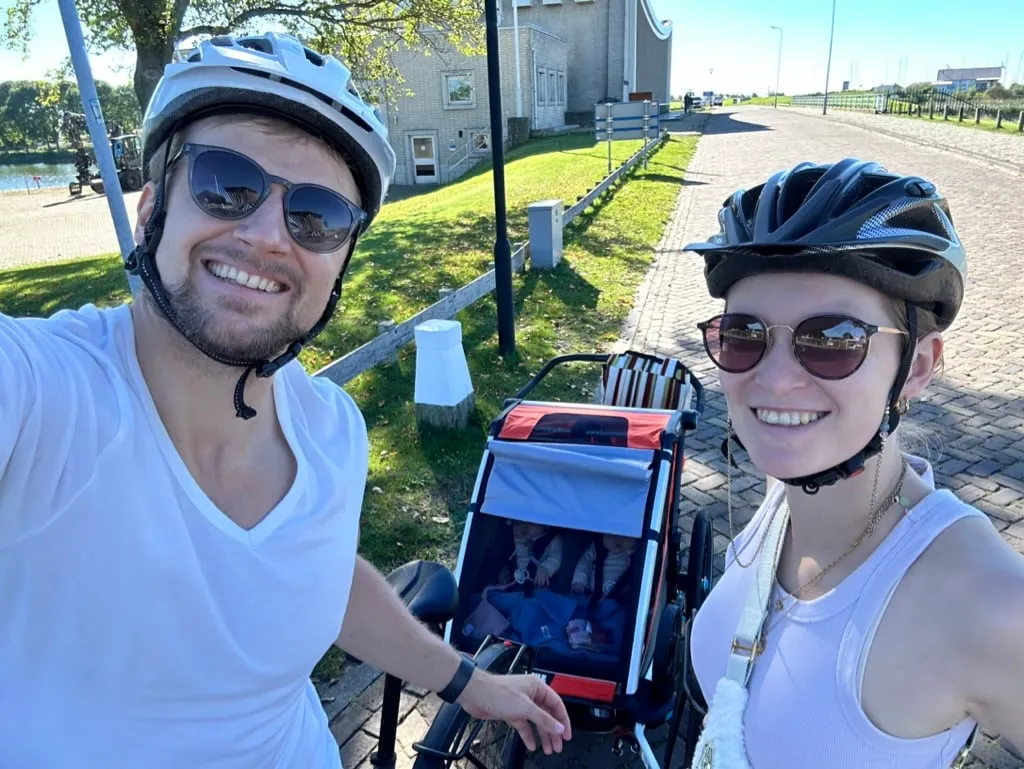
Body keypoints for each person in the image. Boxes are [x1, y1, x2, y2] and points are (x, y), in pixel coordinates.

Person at [0, 32, 571, 768]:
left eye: (318, 214)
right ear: (150, 212)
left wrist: (470, 682)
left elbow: (320, 577)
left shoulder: (330, 429)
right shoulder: (45, 395)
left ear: (339, 266)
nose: (269, 235)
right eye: (226, 182)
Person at [682, 158, 1024, 767]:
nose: (775, 380)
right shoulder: (782, 495)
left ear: (916, 366)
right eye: (744, 334)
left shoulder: (988, 601)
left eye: (833, 340)